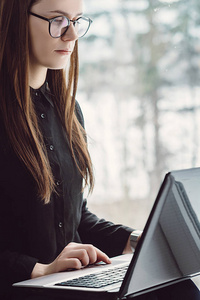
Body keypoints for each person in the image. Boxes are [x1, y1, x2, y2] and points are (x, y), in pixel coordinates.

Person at [0, 0, 199, 300]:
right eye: (58, 21)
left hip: (67, 285)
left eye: (77, 21)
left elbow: (76, 219)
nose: (71, 36)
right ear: (17, 19)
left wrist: (136, 240)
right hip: (21, 289)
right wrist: (37, 270)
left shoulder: (67, 110)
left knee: (179, 289)